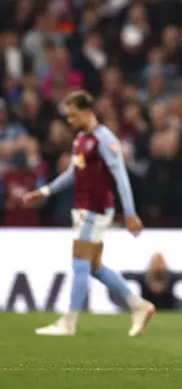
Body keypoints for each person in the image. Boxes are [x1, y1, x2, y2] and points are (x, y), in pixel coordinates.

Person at [22, 90, 154, 336]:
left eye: (73, 116)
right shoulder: (82, 138)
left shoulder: (104, 139)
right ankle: (139, 305)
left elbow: (121, 176)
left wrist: (130, 213)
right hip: (83, 207)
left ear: (86, 111)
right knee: (94, 267)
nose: (69, 121)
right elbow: (75, 172)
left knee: (79, 263)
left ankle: (69, 322)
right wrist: (45, 191)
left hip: (95, 208)